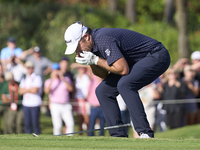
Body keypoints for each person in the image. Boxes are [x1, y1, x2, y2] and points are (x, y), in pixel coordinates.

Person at [63, 21, 170, 138]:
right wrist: (91, 62)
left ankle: (145, 132)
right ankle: (117, 136)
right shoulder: (91, 47)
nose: (77, 51)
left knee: (125, 85)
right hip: (135, 61)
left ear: (86, 37)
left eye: (77, 46)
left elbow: (123, 70)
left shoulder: (103, 39)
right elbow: (103, 75)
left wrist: (95, 60)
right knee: (103, 91)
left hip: (157, 55)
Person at [44, 63, 74, 135]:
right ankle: (57, 139)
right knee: (57, 126)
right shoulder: (48, 81)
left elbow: (70, 89)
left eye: (58, 70)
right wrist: (52, 79)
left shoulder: (66, 79)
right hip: (55, 105)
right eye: (55, 70)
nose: (57, 72)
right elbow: (46, 91)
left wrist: (62, 78)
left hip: (65, 105)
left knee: (70, 124)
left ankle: (70, 139)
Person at [19, 61, 43, 135]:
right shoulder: (24, 78)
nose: (29, 69)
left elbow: (35, 90)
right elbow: (20, 91)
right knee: (27, 124)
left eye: (31, 68)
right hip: (26, 103)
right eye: (28, 68)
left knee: (35, 123)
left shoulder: (37, 77)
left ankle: (37, 137)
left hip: (35, 103)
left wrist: (25, 89)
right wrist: (29, 89)